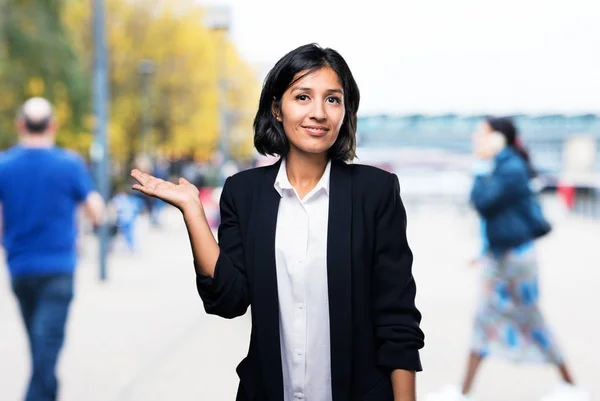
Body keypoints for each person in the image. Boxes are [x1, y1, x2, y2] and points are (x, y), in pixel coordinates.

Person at [132, 43, 424, 401]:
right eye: (303, 97)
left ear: (346, 112)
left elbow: (397, 318)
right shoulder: (244, 192)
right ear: (277, 108)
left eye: (332, 99)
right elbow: (230, 299)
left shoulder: (375, 192)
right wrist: (192, 211)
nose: (319, 112)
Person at [424, 117, 588, 401]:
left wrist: (479, 165)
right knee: (488, 320)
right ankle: (464, 392)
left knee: (529, 319)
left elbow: (484, 201)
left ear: (499, 138)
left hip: (514, 261)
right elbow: (492, 213)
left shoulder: (509, 167)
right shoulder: (504, 165)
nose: (477, 139)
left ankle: (570, 386)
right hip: (503, 258)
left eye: (482, 134)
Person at [0, 97, 104, 401]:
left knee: (40, 347)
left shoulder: (4, 165)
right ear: (53, 126)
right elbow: (96, 209)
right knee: (45, 352)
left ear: (21, 125)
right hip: (58, 269)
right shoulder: (69, 164)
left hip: (20, 268)